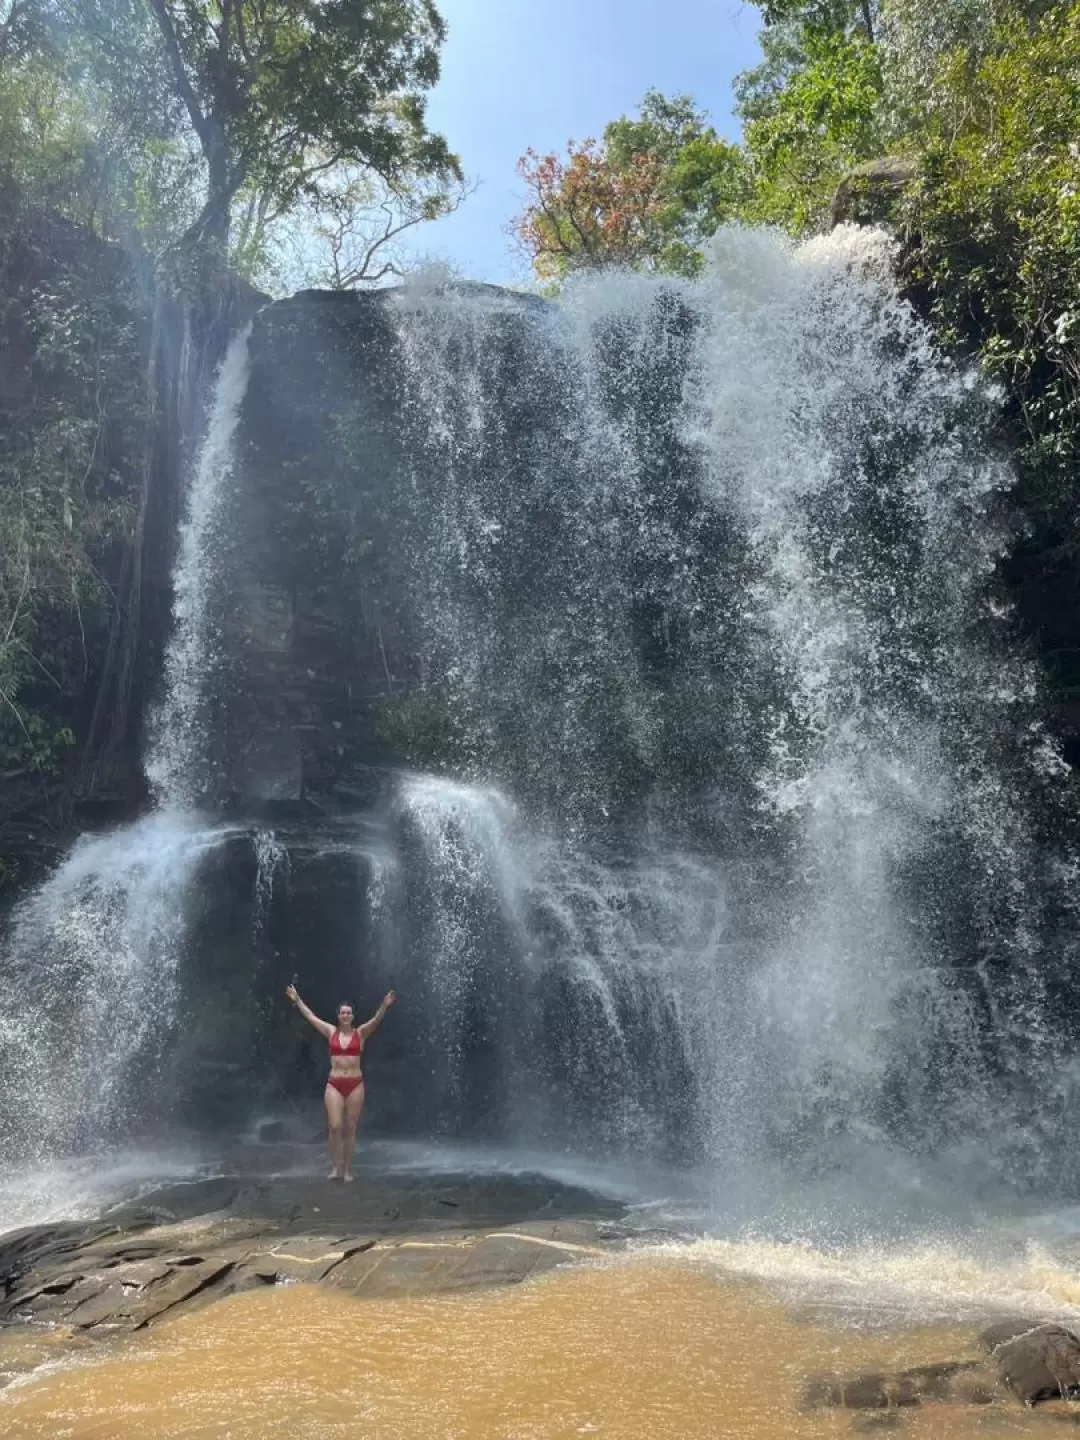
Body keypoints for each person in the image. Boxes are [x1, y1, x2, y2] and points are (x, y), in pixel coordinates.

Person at [285, 983, 396, 1182]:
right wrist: (297, 1000)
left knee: (350, 1128)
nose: (345, 1015)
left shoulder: (360, 1033)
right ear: (338, 1016)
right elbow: (311, 1017)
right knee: (335, 1126)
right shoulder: (330, 1032)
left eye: (349, 1013)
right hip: (335, 1083)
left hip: (355, 1084)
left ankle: (347, 1170)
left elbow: (376, 1019)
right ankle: (335, 1167)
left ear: (353, 1017)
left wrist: (385, 1005)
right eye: (342, 1013)